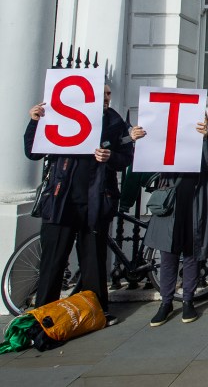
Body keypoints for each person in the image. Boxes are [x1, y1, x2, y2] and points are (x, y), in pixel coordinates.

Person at [24, 83, 132, 325]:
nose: (107, 97)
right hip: (61, 200)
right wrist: (35, 122)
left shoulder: (114, 121)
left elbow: (126, 156)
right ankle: (43, 317)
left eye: (109, 93)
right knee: (53, 261)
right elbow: (33, 152)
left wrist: (111, 157)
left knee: (93, 260)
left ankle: (96, 312)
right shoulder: (61, 118)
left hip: (95, 202)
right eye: (103, 93)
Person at [137, 117, 208, 326]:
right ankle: (165, 302)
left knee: (191, 252)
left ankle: (187, 300)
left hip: (196, 200)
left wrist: (203, 139)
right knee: (168, 253)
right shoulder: (170, 135)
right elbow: (151, 158)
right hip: (172, 200)